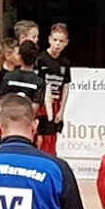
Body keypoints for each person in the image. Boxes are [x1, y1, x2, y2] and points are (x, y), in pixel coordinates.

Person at [36, 23, 72, 156]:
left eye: (61, 41)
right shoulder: (40, 59)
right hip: (41, 106)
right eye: (55, 40)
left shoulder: (65, 63)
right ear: (49, 39)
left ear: (66, 43)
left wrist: (61, 110)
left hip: (56, 105)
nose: (57, 44)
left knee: (52, 137)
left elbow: (66, 86)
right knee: (40, 137)